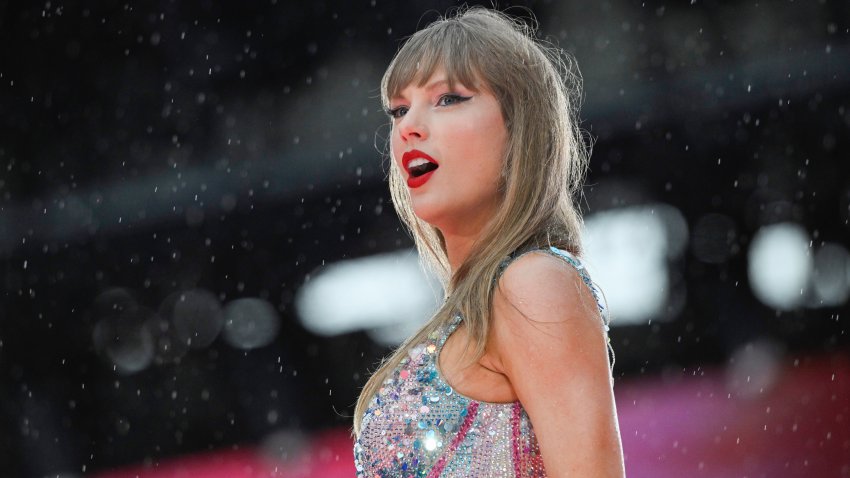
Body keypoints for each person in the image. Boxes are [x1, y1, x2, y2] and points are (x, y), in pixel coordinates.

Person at [352, 7, 625, 477]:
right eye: (398, 110)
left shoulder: (534, 283)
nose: (407, 127)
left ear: (520, 129)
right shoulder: (471, 311)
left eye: (448, 99)